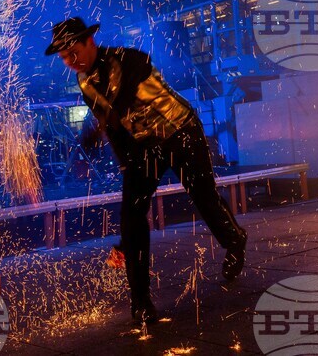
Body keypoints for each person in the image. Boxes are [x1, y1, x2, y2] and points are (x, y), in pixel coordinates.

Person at [45, 17, 247, 325]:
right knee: (131, 215)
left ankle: (234, 240)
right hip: (144, 146)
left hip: (180, 132)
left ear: (90, 42)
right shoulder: (85, 83)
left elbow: (125, 92)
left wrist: (100, 125)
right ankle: (140, 301)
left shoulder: (127, 58)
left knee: (203, 197)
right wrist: (124, 162)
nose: (71, 62)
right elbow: (114, 126)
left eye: (73, 52)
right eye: (64, 57)